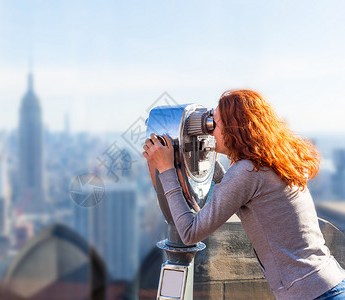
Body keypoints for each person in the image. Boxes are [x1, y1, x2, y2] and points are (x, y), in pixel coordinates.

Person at [142, 89, 345, 300]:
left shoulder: (247, 172)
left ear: (235, 129)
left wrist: (166, 170)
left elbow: (190, 233)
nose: (210, 132)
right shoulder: (266, 163)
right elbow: (228, 188)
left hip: (311, 294)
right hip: (328, 283)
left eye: (216, 124)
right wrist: (201, 154)